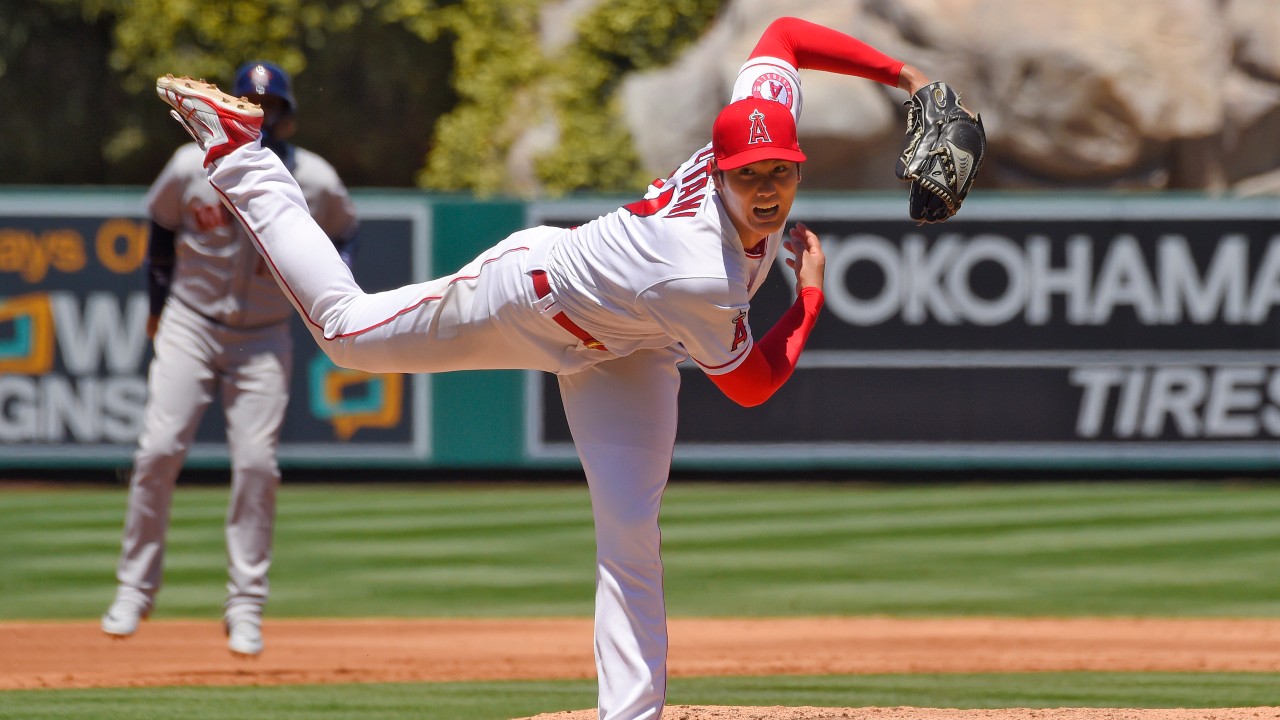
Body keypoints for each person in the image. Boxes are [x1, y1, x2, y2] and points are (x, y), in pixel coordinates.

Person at [154, 16, 941, 716]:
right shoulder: (700, 270)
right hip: (530, 301)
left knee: (630, 527)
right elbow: (749, 386)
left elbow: (786, 38)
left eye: (782, 171)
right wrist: (807, 299)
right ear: (723, 171)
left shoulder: (752, 132)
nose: (768, 189)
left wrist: (909, 78)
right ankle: (239, 153)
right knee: (346, 334)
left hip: (629, 347)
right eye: (750, 175)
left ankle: (629, 712)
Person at [102, 61, 360, 658]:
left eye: (271, 106)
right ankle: (134, 591)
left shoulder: (315, 179)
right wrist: (157, 305)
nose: (261, 114)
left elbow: (346, 232)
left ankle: (245, 607)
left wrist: (334, 285)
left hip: (266, 332)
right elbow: (161, 227)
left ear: (288, 113)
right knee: (158, 450)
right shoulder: (187, 164)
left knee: (256, 465)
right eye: (250, 102)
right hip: (192, 322)